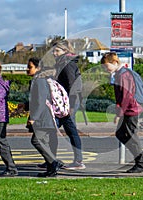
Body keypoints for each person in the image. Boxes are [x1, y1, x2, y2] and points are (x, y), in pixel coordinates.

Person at [101, 52, 143, 173]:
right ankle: (140, 160)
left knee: (131, 135)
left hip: (131, 109)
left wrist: (119, 113)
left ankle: (141, 162)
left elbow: (126, 96)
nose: (105, 69)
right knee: (121, 133)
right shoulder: (119, 74)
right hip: (129, 109)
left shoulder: (123, 75)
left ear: (115, 62)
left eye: (106, 66)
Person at [47, 40, 85, 170]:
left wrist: (72, 106)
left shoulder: (67, 64)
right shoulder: (62, 63)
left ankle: (77, 161)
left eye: (57, 51)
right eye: (53, 51)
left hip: (68, 102)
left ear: (65, 51)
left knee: (67, 130)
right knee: (59, 130)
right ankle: (51, 160)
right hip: (64, 101)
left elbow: (72, 86)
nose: (54, 53)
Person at [28, 60, 64, 177]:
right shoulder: (38, 81)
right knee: (43, 142)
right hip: (43, 117)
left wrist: (34, 118)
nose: (27, 69)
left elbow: (41, 101)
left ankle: (54, 162)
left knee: (36, 140)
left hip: (43, 118)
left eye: (30, 67)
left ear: (38, 68)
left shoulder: (39, 81)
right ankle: (51, 169)